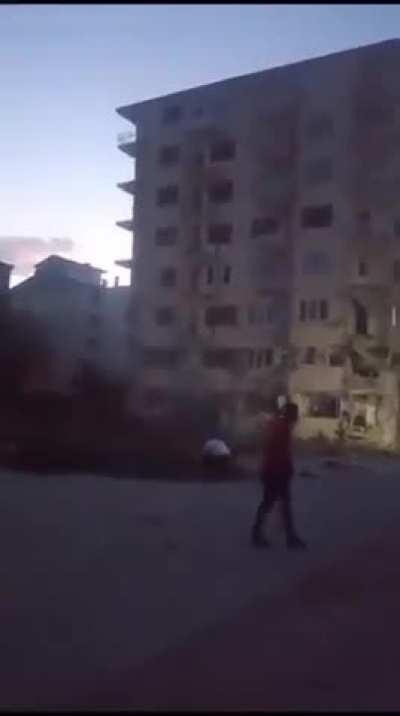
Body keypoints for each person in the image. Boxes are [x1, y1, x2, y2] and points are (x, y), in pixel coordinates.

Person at [251, 400, 307, 550]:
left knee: (277, 504)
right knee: (272, 503)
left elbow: (273, 450)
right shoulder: (282, 428)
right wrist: (287, 469)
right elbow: (279, 453)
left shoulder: (278, 425)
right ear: (290, 414)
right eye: (295, 413)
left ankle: (288, 536)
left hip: (272, 471)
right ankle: (260, 534)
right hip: (276, 472)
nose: (297, 416)